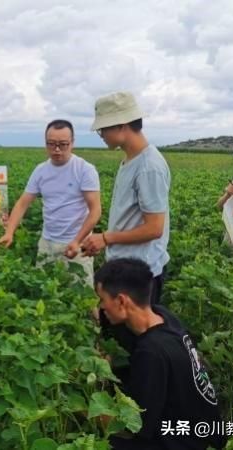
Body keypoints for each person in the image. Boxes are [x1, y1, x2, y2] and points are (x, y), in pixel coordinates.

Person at [95, 258, 226, 450]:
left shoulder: (151, 352)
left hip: (183, 441)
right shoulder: (163, 316)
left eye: (102, 299)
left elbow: (133, 427)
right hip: (203, 428)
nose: (101, 307)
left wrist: (90, 408)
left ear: (122, 300)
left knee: (105, 440)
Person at [82, 92, 170, 305]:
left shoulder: (148, 167)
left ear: (122, 126)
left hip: (140, 274)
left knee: (133, 336)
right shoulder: (131, 160)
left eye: (103, 129)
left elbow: (154, 229)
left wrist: (105, 238)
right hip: (126, 266)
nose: (101, 134)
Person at [0, 119, 101, 286]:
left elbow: (95, 211)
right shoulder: (41, 171)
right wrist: (9, 232)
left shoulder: (84, 170)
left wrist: (77, 241)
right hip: (47, 243)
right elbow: (23, 202)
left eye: (63, 144)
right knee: (44, 290)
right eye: (51, 144)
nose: (56, 150)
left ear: (72, 143)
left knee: (82, 296)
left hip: (77, 244)